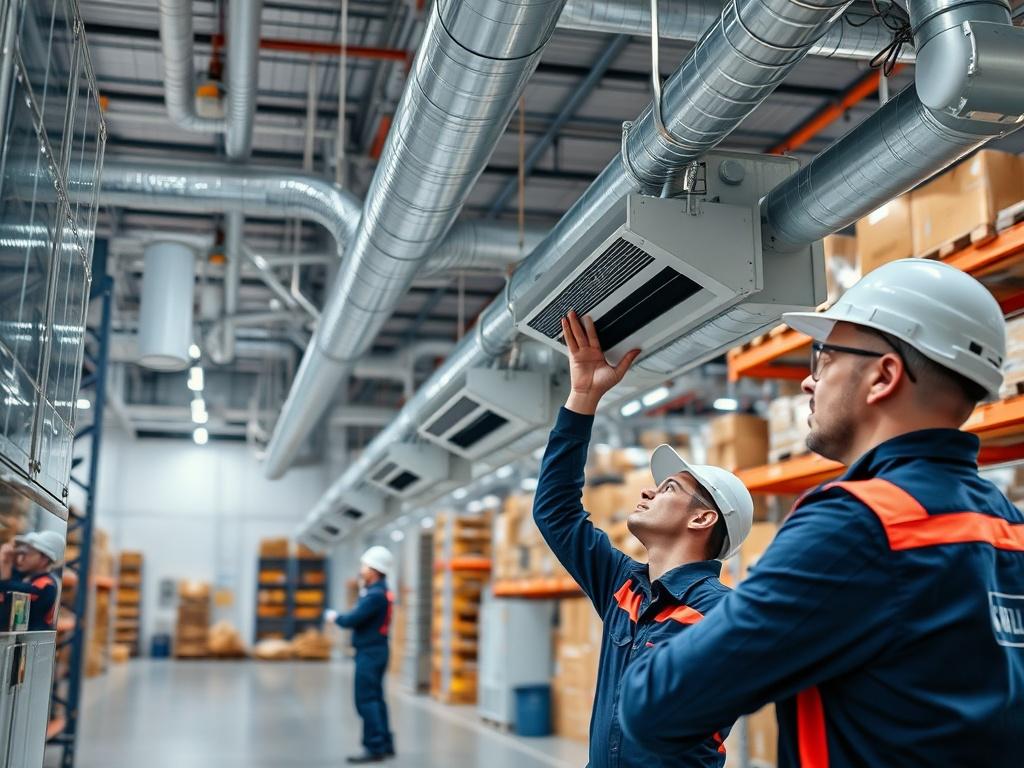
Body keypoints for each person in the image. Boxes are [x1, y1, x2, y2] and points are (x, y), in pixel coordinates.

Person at [617, 258, 1024, 766]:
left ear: (883, 376)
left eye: (825, 359)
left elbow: (656, 706)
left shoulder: (859, 524)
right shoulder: (1007, 526)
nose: (809, 383)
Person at [533, 310, 755, 767]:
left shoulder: (722, 614)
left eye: (669, 488)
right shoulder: (624, 588)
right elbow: (555, 512)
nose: (648, 490)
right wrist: (581, 399)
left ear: (702, 519)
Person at [324, 545, 396, 764]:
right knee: (376, 699)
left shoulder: (374, 595)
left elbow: (351, 619)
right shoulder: (379, 591)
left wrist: (335, 617)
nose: (361, 569)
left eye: (364, 566)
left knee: (365, 700)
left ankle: (373, 747)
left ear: (374, 570)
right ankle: (384, 744)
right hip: (376, 650)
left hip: (370, 653)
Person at [0, 531, 63, 631]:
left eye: (27, 553)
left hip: (32, 642)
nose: (21, 558)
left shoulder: (46, 584)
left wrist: (5, 562)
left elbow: (8, 588)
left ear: (44, 559)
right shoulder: (30, 577)